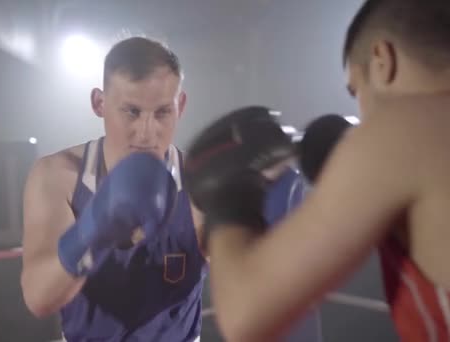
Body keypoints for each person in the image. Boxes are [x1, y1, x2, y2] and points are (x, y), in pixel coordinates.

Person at [184, 0, 450, 341]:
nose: (362, 112)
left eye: (356, 90)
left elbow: (246, 314)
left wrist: (229, 200)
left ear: (382, 60)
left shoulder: (403, 129)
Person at [21, 37, 209, 341]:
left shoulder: (200, 186)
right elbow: (39, 297)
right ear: (99, 103)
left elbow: (254, 287)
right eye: (131, 112)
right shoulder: (58, 176)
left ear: (181, 105)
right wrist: (95, 227)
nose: (147, 133)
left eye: (162, 112)